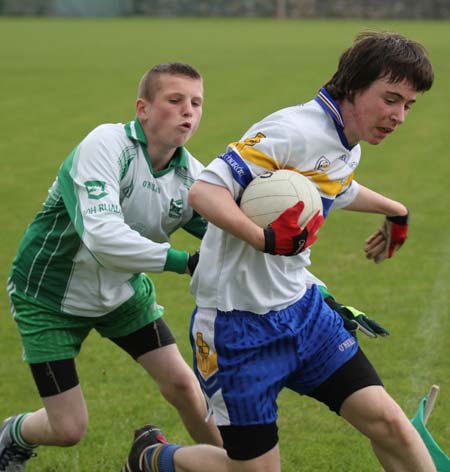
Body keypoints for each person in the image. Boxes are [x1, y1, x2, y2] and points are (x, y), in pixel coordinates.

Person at [122, 31, 437, 472]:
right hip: (237, 330)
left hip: (304, 314)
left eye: (408, 105)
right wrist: (263, 238)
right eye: (391, 99)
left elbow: (335, 184)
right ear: (354, 86)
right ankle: (154, 458)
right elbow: (205, 192)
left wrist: (395, 210)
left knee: (390, 424)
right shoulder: (293, 131)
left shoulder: (346, 141)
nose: (399, 115)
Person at [0, 62, 223, 472]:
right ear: (143, 108)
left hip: (121, 295)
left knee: (184, 386)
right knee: (68, 429)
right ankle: (11, 435)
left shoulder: (192, 175)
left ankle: (233, 467)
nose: (187, 111)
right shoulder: (106, 145)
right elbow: (102, 238)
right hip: (47, 297)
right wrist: (184, 262)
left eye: (196, 103)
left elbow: (228, 240)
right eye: (174, 100)